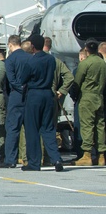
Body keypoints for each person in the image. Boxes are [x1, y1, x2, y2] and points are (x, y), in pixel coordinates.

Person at [19, 34, 65, 172]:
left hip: (34, 94)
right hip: (48, 93)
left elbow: (22, 79)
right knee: (48, 128)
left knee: (32, 129)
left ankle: (34, 162)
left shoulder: (31, 61)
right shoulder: (51, 59)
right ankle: (56, 158)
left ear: (32, 46)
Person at [73, 38, 105, 166]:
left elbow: (77, 81)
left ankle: (87, 154)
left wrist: (74, 95)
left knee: (87, 125)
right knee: (100, 126)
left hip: (87, 97)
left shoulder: (85, 63)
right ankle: (101, 155)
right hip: (99, 96)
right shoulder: (103, 63)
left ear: (86, 49)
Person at [0, 35, 27, 168]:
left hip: (16, 95)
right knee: (29, 129)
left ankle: (10, 159)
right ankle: (30, 158)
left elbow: (11, 80)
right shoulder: (29, 57)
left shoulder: (10, 59)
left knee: (12, 128)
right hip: (29, 95)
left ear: (10, 45)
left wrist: (20, 89)